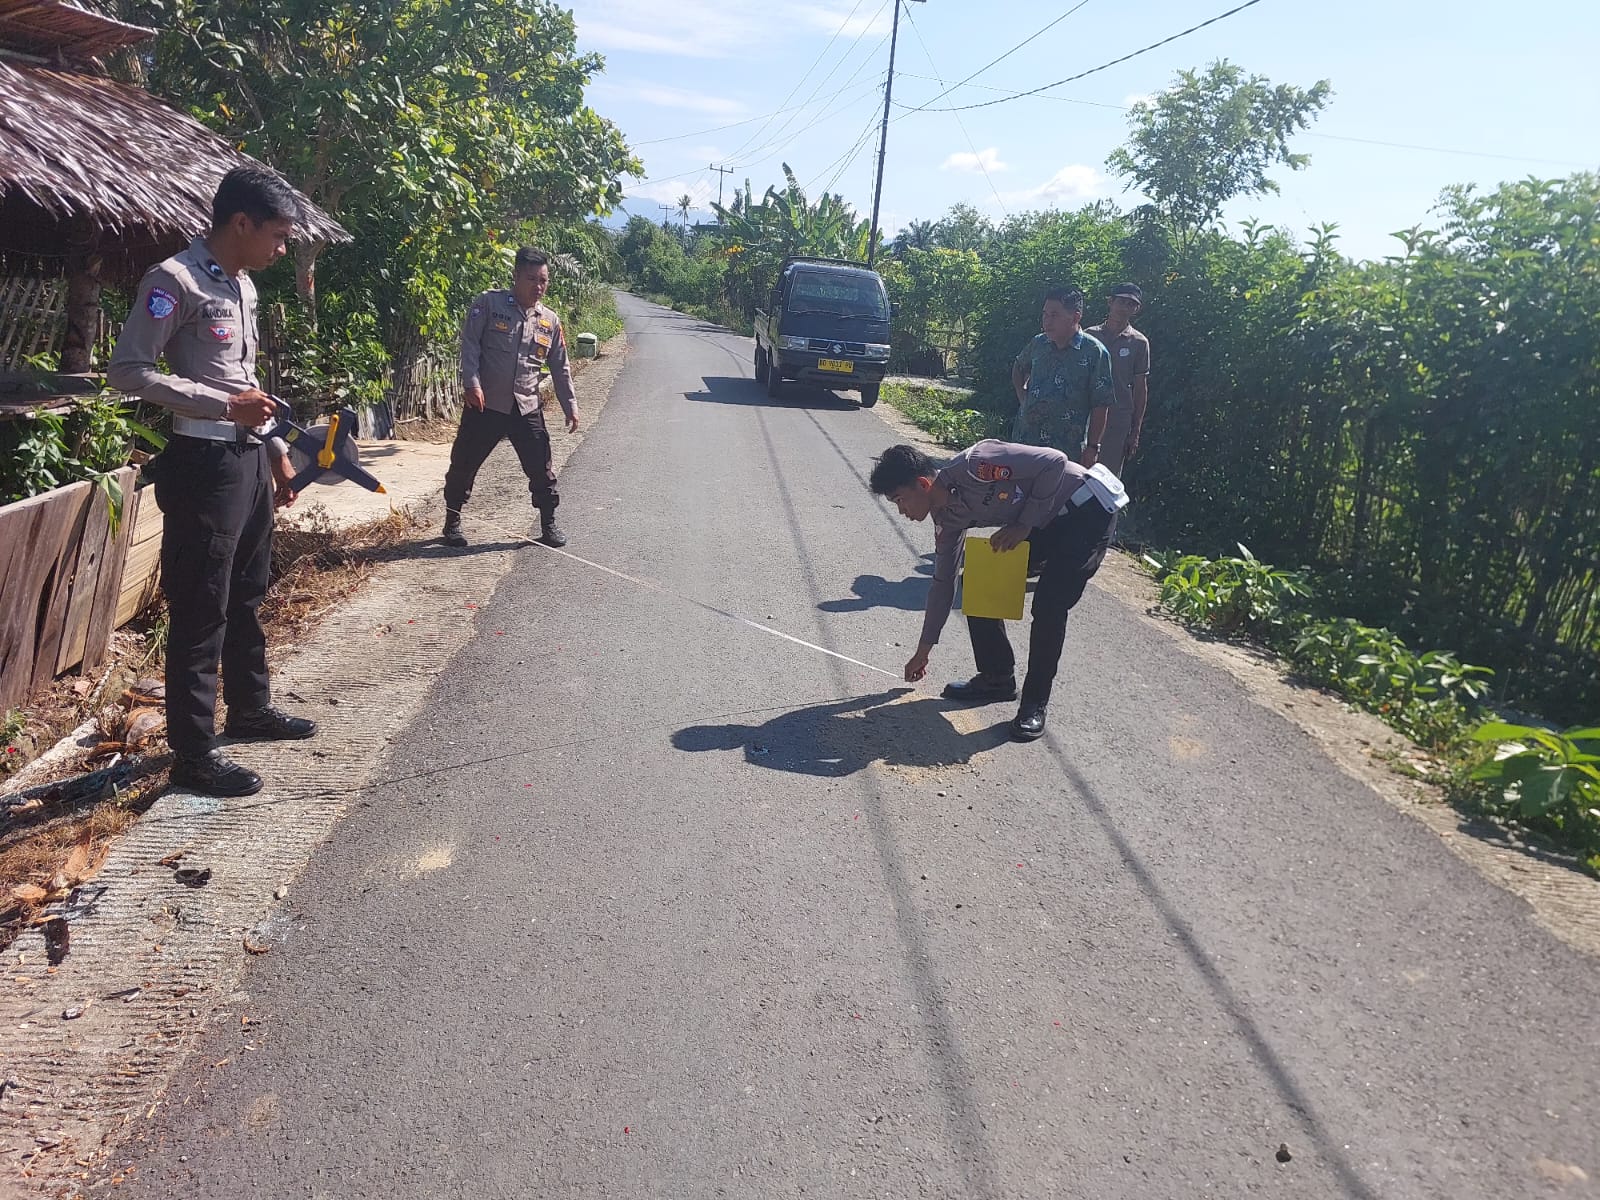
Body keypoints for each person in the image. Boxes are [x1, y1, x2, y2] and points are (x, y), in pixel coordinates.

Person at [108, 165, 317, 798]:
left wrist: (275, 446)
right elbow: (129, 372)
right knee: (201, 607)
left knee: (249, 592)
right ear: (241, 223)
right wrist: (222, 408)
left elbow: (244, 381)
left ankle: (249, 710)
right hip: (203, 466)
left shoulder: (244, 286)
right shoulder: (172, 281)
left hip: (248, 461)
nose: (283, 249)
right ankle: (194, 754)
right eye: (278, 235)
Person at [869, 440, 1116, 742]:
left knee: (1049, 605)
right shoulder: (947, 520)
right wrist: (923, 651)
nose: (902, 511)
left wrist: (1024, 525)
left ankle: (1034, 704)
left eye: (900, 501)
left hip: (1086, 509)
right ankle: (997, 678)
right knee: (977, 579)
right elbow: (943, 583)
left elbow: (1055, 460)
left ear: (923, 484)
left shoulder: (977, 465)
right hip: (1045, 521)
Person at [442, 248, 581, 549]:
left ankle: (548, 523)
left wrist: (570, 405)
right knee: (464, 464)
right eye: (531, 278)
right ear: (516, 276)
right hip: (485, 404)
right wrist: (472, 383)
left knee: (541, 468)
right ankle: (452, 521)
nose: (538, 286)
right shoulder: (489, 304)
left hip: (526, 406)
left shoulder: (550, 321)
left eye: (543, 280)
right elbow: (470, 345)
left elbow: (560, 366)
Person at [1010, 286, 1114, 467]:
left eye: (1054, 315)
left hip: (1066, 450)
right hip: (1026, 440)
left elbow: (1101, 404)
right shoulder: (1039, 343)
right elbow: (1019, 366)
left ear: (1075, 317)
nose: (1047, 321)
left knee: (1058, 495)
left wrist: (1092, 447)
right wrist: (1022, 396)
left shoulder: (1095, 353)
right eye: (1045, 314)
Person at [1084, 283, 1151, 477]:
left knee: (1106, 478)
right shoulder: (1089, 336)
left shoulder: (1139, 342)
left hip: (1117, 419)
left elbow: (1140, 389)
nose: (1124, 308)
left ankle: (1103, 509)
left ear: (1136, 309)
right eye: (1121, 301)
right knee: (1076, 470)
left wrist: (1135, 430)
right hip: (1084, 413)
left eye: (1131, 304)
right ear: (1110, 302)